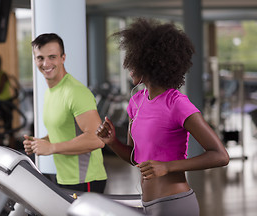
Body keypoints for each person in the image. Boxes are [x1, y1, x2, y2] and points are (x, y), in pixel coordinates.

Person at [96, 18, 229, 216]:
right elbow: (136, 158)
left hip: (175, 204)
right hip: (148, 204)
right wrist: (112, 142)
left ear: (151, 63)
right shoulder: (136, 102)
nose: (128, 67)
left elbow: (220, 155)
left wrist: (167, 167)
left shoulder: (177, 103)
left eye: (134, 61)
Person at [23, 33, 107, 193]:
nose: (46, 63)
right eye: (40, 58)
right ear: (35, 60)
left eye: (52, 57)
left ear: (63, 58)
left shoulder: (76, 92)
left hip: (86, 180)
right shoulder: (51, 92)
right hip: (64, 178)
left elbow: (97, 139)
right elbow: (64, 131)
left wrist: (51, 147)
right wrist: (40, 143)